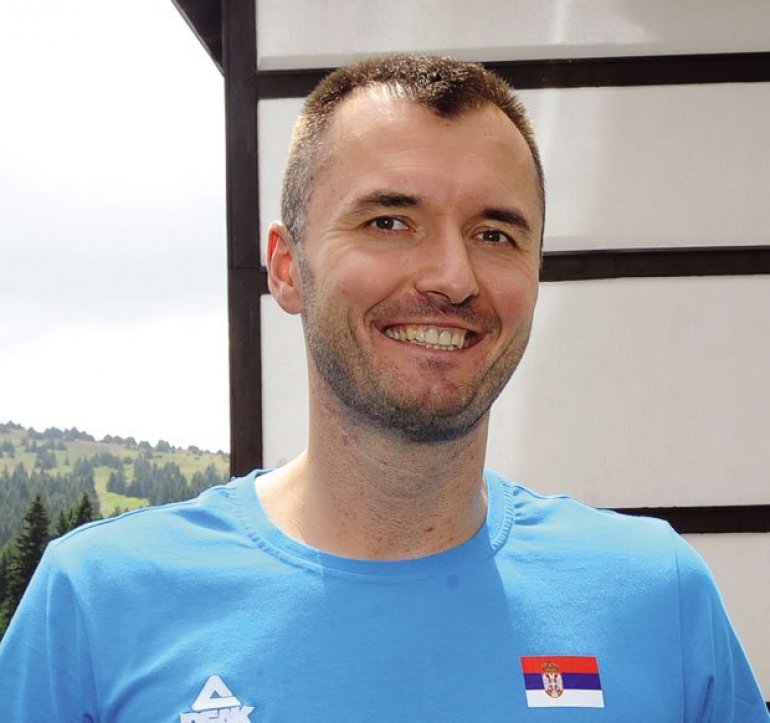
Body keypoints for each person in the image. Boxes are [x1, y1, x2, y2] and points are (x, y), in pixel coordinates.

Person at [0, 54, 766, 722]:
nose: (453, 277)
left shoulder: (656, 601)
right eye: (390, 222)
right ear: (287, 267)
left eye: (494, 234)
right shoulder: (97, 606)